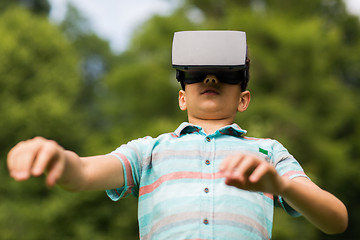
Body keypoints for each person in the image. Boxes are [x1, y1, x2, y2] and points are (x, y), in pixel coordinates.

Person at [7, 30, 348, 240]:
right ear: (182, 96)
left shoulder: (268, 155)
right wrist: (56, 156)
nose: (211, 79)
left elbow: (336, 220)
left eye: (226, 74)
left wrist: (283, 186)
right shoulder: (149, 151)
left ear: (243, 99)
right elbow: (81, 173)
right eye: (197, 73)